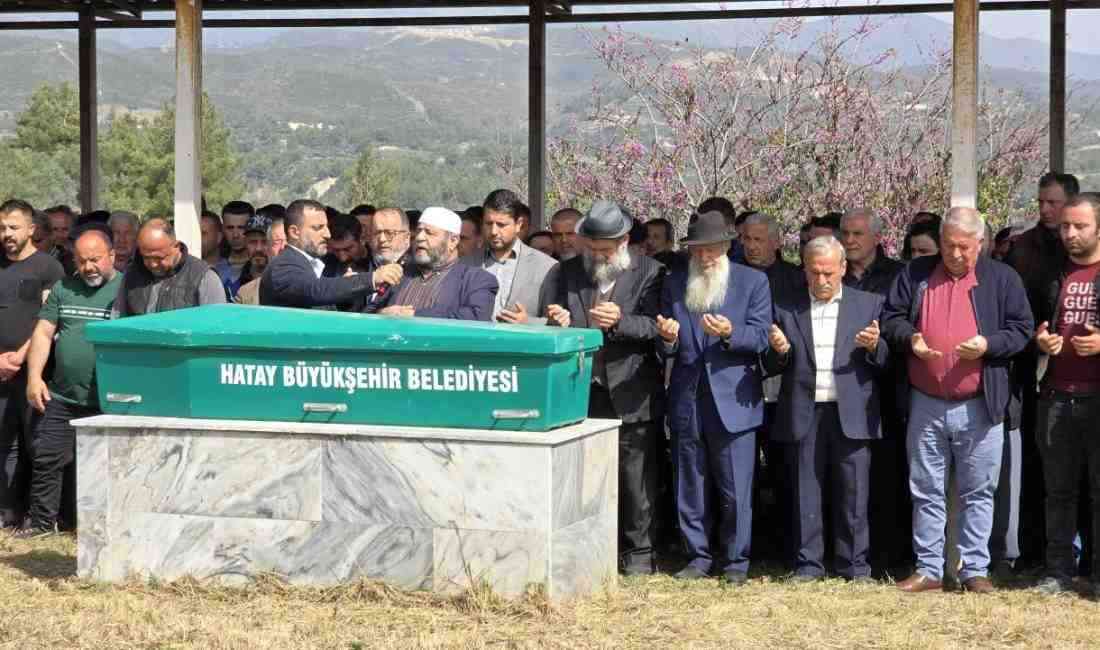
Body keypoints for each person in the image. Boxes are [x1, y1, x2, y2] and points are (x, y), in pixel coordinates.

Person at [882, 207, 1033, 594]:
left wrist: (988, 345)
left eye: (964, 247)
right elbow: (891, 318)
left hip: (980, 402)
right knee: (925, 489)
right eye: (949, 245)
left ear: (980, 243)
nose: (955, 254)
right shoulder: (915, 274)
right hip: (926, 399)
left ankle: (974, 570)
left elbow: (1022, 330)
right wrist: (911, 339)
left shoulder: (1002, 278)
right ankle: (929, 568)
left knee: (979, 490)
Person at [544, 201, 665, 575]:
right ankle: (589, 550)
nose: (597, 255)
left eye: (605, 250)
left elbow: (657, 327)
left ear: (624, 242)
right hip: (582, 390)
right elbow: (553, 316)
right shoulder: (567, 272)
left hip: (630, 389)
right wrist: (559, 319)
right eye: (592, 248)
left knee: (635, 479)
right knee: (584, 476)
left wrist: (621, 321)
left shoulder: (651, 272)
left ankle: (639, 555)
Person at [765, 236, 889, 581]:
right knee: (806, 490)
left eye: (829, 273)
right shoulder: (785, 307)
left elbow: (888, 362)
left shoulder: (869, 304)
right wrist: (779, 351)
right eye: (814, 272)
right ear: (804, 270)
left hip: (852, 411)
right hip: (804, 410)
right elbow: (769, 365)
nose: (821, 280)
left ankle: (855, 566)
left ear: (843, 268)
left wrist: (875, 347)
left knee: (854, 492)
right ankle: (808, 564)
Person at [657, 210, 772, 583]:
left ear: (726, 246)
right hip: (687, 398)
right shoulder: (676, 282)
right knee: (689, 484)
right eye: (697, 250)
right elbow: (665, 344)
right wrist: (668, 338)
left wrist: (729, 333)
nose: (704, 257)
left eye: (711, 249)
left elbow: (761, 337)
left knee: (736, 487)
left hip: (733, 400)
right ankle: (697, 556)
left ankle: (736, 561)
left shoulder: (753, 282)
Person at [15, 229, 123, 538]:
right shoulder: (64, 287)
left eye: (95, 259)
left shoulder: (126, 290)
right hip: (62, 396)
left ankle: (97, 529)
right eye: (82, 261)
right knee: (48, 458)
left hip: (107, 400)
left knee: (103, 466)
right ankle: (41, 525)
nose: (88, 267)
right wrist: (34, 377)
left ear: (112, 256)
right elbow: (43, 332)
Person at [1006, 172, 1080, 571]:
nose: (1046, 210)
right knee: (1038, 470)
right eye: (1041, 203)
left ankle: (1084, 560)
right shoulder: (1023, 249)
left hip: (1081, 372)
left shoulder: (1082, 250)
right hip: (1034, 369)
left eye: (1054, 203)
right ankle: (1034, 554)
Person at [1031, 192, 1100, 595]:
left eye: (1080, 226)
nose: (1070, 234)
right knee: (1058, 492)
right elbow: (1033, 323)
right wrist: (1041, 339)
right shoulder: (1052, 274)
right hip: (1057, 396)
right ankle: (1057, 572)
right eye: (1065, 227)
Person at [0, 199, 65, 528]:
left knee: (35, 444)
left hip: (34, 373)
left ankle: (38, 516)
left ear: (31, 229)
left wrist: (21, 356)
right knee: (5, 443)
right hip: (1, 372)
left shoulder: (48, 268)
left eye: (13, 227)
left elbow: (48, 321)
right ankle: (7, 512)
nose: (7, 234)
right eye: (2, 228)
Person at [261, 200, 402, 310]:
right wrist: (372, 278)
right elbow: (316, 290)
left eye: (326, 227)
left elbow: (317, 303)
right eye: (318, 228)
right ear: (294, 232)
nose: (327, 234)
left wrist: (345, 292)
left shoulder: (307, 264)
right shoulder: (283, 266)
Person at [375, 208, 497, 321]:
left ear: (453, 241)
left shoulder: (476, 280)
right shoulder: (401, 272)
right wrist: (381, 314)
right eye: (419, 231)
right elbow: (370, 310)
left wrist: (414, 315)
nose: (419, 237)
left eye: (429, 232)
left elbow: (476, 316)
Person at [462, 189, 557, 325]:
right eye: (488, 223)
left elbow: (555, 323)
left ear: (519, 224)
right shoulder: (466, 262)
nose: (494, 231)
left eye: (501, 225)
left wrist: (528, 322)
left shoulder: (545, 267)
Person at [113, 219, 227, 317]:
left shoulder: (204, 277)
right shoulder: (132, 273)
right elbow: (118, 319)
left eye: (159, 258)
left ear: (176, 247)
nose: (153, 264)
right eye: (146, 257)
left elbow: (215, 324)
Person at [237, 217, 285, 306]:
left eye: (264, 242)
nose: (258, 248)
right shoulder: (235, 282)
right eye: (253, 242)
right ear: (245, 243)